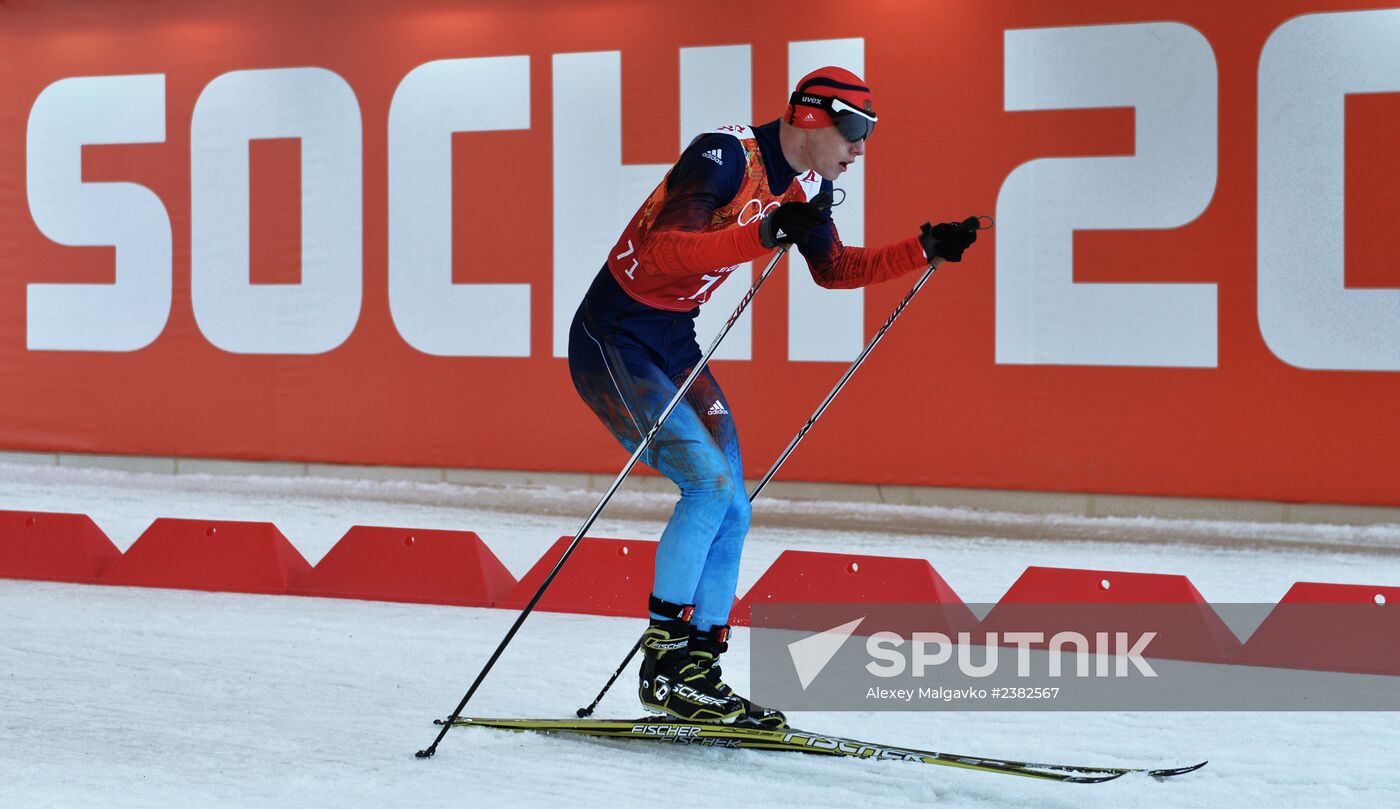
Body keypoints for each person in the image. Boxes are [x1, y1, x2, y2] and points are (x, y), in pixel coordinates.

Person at [567, 66, 980, 727]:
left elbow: (835, 269)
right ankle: (664, 667)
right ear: (812, 118)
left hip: (671, 342)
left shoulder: (809, 185)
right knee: (706, 487)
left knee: (733, 504)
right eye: (853, 129)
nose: (861, 146)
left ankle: (698, 668)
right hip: (612, 336)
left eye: (869, 132)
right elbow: (666, 247)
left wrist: (923, 248)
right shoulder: (724, 154)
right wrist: (763, 231)